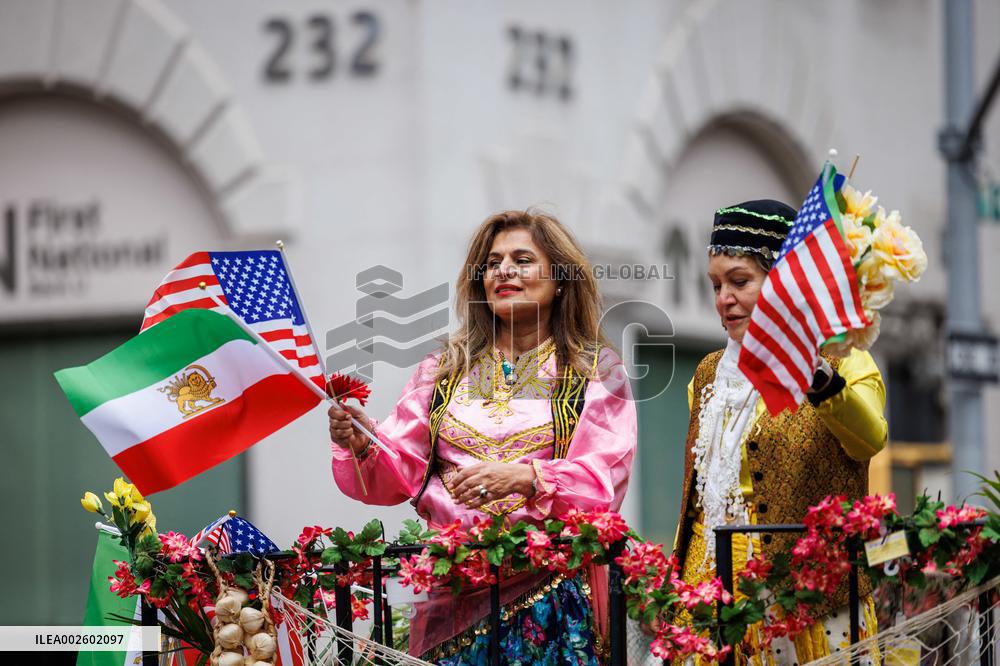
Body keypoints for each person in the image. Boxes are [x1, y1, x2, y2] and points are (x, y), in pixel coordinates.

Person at [328, 209, 637, 664]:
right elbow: (399, 470)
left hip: (549, 596)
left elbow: (603, 480)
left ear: (562, 279)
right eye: (492, 263)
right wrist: (360, 441)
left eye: (522, 259)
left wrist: (526, 477)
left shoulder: (593, 370)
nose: (504, 271)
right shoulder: (444, 369)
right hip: (450, 598)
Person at [673, 200, 888, 664]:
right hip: (710, 594)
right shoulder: (710, 373)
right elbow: (699, 495)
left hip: (807, 606)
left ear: (785, 283)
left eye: (739, 281)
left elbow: (870, 439)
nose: (722, 300)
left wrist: (818, 379)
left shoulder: (840, 358)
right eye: (715, 286)